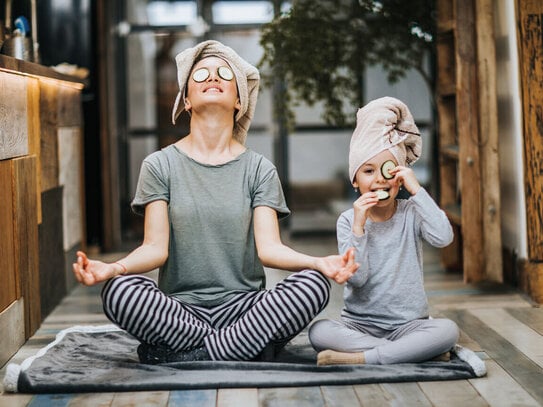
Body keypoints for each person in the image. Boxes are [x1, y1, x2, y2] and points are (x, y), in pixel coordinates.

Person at [72, 40, 358, 364]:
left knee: (314, 284)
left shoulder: (259, 169)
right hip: (179, 312)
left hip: (244, 309)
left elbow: (270, 250)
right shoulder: (159, 165)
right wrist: (113, 268)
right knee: (118, 291)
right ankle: (239, 348)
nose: (212, 78)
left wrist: (318, 263)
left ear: (239, 100)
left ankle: (192, 353)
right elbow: (154, 248)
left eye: (224, 73)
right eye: (201, 74)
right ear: (187, 100)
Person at [308, 96, 459, 366]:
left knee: (447, 330)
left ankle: (364, 357)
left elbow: (444, 237)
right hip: (360, 325)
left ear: (399, 176)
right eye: (368, 171)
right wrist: (359, 227)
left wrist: (417, 191)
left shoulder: (411, 212)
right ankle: (409, 352)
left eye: (387, 170)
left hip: (409, 325)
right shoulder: (348, 220)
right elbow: (357, 279)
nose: (378, 178)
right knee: (319, 331)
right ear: (356, 181)